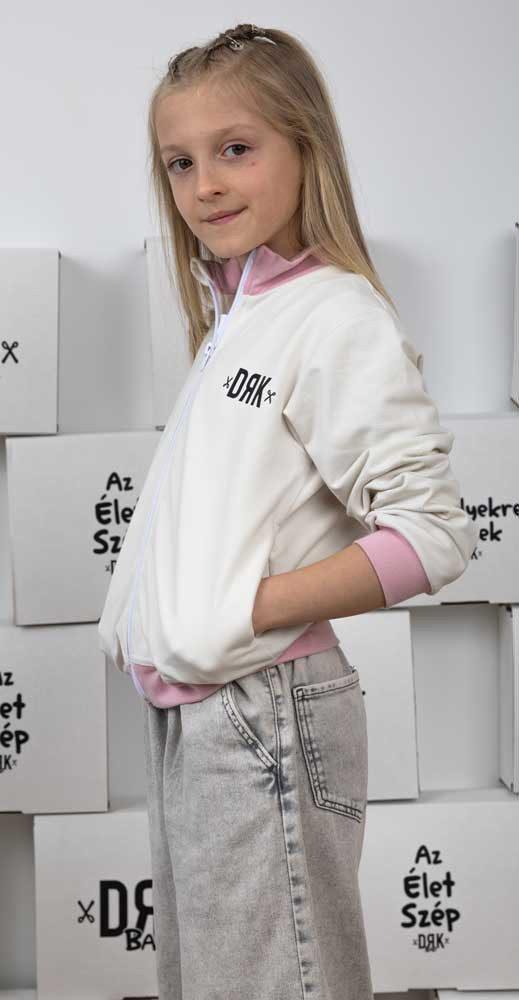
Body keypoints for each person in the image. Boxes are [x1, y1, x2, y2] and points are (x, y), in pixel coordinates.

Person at [97, 22, 477, 1000]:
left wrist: (248, 608)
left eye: (236, 148)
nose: (204, 185)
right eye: (180, 162)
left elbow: (431, 535)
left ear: (306, 147)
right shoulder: (241, 319)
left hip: (259, 705)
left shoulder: (335, 315)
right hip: (204, 715)